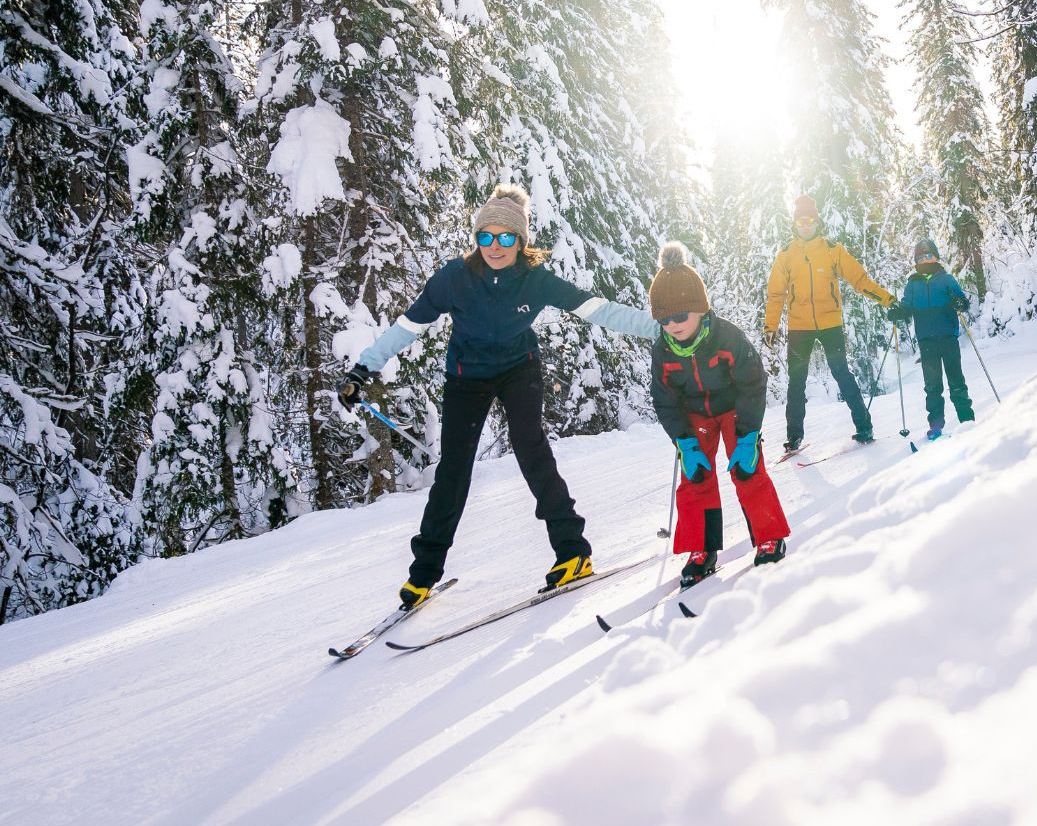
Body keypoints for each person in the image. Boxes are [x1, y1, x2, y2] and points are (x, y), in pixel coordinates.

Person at [339, 184, 657, 607]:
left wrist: (662, 329)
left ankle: (573, 552)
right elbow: (407, 327)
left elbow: (598, 309)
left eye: (506, 237)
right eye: (485, 236)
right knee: (453, 470)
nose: (495, 245)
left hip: (518, 369)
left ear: (521, 242)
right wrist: (364, 368)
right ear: (476, 240)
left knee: (532, 450)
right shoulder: (454, 279)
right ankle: (424, 574)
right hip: (466, 376)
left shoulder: (535, 281)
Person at [649, 242, 789, 587]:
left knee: (746, 468)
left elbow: (753, 384)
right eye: (665, 318)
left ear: (699, 309)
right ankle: (702, 549)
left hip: (735, 406)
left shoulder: (727, 337)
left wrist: (747, 436)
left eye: (680, 315)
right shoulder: (664, 350)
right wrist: (684, 442)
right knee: (695, 477)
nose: (673, 324)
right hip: (696, 416)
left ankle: (769, 535)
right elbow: (665, 400)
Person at [762, 194, 896, 455]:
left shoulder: (833, 250)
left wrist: (888, 300)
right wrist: (770, 326)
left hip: (830, 323)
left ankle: (864, 426)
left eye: (809, 220)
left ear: (816, 222)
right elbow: (776, 294)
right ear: (795, 224)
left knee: (841, 373)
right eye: (800, 221)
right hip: (799, 327)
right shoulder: (786, 255)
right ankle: (794, 437)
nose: (805, 225)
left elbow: (860, 280)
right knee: (796, 382)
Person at [886, 238, 975, 440]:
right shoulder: (913, 285)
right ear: (916, 261)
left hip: (948, 338)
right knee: (932, 385)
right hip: (927, 341)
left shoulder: (946, 279)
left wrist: (959, 302)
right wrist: (898, 312)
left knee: (956, 381)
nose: (926, 260)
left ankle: (967, 421)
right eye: (921, 257)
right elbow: (906, 306)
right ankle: (936, 426)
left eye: (929, 255)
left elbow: (962, 301)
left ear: (936, 257)